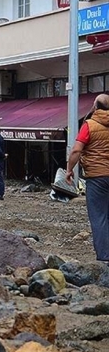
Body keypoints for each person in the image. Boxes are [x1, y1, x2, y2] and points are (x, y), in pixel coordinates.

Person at [65, 94, 109, 265]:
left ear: (95, 107)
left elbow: (76, 150)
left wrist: (69, 170)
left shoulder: (89, 125)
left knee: (99, 216)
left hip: (97, 177)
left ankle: (105, 256)